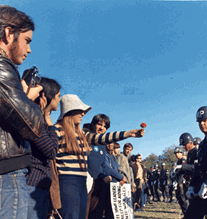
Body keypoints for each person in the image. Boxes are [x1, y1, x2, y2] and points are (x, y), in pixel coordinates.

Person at [55, 95, 145, 219]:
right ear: (70, 111)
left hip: (84, 183)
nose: (83, 113)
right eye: (79, 110)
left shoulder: (83, 135)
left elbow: (104, 138)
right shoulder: (55, 131)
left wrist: (129, 133)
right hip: (68, 183)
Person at [0, 6, 45, 219]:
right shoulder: (2, 68)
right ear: (9, 33)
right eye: (27, 40)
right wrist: (29, 98)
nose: (29, 50)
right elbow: (33, 126)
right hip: (7, 175)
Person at [25, 77, 61, 219]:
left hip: (40, 185)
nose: (59, 100)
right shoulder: (36, 119)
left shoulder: (40, 120)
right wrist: (50, 123)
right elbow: (51, 151)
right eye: (57, 96)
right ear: (45, 96)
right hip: (33, 184)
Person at [172, 133, 198, 217]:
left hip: (197, 182)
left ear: (190, 143)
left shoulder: (196, 152)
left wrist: (182, 167)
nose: (183, 147)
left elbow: (196, 168)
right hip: (190, 182)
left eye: (184, 145)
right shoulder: (190, 153)